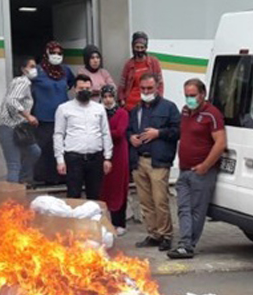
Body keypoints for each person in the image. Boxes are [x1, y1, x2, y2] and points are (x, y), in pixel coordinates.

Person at [167, 79, 227, 260]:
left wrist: (205, 166)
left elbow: (220, 143)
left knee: (197, 210)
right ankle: (184, 243)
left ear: (202, 94)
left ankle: (188, 245)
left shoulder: (212, 114)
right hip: (184, 169)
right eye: (187, 95)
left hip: (202, 172)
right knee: (183, 208)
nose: (189, 99)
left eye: (193, 95)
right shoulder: (185, 111)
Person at [128, 73, 181, 251]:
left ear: (157, 87)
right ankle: (153, 234)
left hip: (158, 161)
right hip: (139, 160)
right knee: (145, 201)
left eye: (149, 88)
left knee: (160, 200)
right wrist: (131, 138)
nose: (145, 91)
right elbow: (129, 129)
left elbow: (177, 131)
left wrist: (158, 133)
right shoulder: (136, 110)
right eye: (142, 88)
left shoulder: (169, 107)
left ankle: (166, 235)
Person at [54, 75, 113, 199]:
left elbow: (105, 133)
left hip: (96, 158)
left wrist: (107, 157)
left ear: (92, 89)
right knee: (73, 196)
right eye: (81, 88)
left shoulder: (99, 108)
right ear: (75, 89)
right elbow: (58, 134)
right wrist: (60, 160)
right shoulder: (64, 109)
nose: (85, 91)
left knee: (95, 196)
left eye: (87, 88)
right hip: (74, 158)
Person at [32, 41, 76, 184]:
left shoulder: (65, 70)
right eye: (53, 53)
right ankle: (44, 178)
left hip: (63, 117)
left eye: (59, 53)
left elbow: (71, 83)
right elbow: (24, 88)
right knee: (45, 149)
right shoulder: (37, 71)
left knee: (62, 147)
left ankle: (62, 177)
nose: (56, 56)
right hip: (44, 118)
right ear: (46, 53)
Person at [0, 57, 41, 185]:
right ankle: (12, 197)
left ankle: (22, 179)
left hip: (18, 127)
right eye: (31, 66)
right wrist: (28, 116)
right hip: (7, 126)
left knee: (34, 151)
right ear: (23, 69)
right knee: (14, 163)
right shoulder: (22, 82)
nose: (34, 69)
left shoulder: (21, 82)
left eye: (35, 66)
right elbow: (12, 101)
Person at [99, 84, 131, 235]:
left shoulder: (122, 113)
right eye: (104, 97)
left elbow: (119, 133)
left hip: (119, 153)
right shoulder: (98, 112)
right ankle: (105, 221)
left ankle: (119, 222)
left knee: (118, 186)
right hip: (102, 153)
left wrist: (102, 132)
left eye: (110, 96)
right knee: (104, 187)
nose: (107, 100)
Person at [119, 31, 165, 111]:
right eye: (137, 47)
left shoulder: (154, 62)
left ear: (146, 48)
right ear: (133, 47)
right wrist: (122, 100)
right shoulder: (129, 64)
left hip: (150, 102)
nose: (139, 50)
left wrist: (159, 99)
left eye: (142, 47)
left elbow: (160, 83)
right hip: (131, 105)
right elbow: (122, 85)